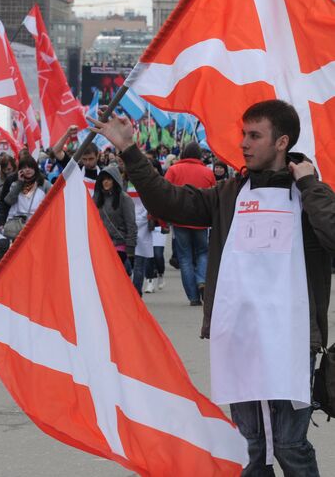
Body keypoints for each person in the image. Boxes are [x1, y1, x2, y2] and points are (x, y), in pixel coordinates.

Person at [90, 99, 335, 476]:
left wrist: (309, 184)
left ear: (282, 141)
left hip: (293, 342)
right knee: (251, 446)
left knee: (289, 445)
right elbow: (167, 202)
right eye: (243, 134)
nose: (243, 143)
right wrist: (128, 149)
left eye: (255, 135)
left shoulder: (309, 195)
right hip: (239, 339)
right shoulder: (229, 194)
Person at [165, 142, 216, 305]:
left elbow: (164, 192)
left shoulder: (173, 170)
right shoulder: (208, 172)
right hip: (201, 220)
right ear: (200, 155)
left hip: (180, 219)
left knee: (185, 257)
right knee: (203, 252)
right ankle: (201, 279)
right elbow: (214, 196)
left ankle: (193, 297)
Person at [0, 155, 50, 250]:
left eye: (30, 167)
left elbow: (53, 201)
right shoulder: (15, 184)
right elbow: (8, 201)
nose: (27, 170)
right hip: (19, 228)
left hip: (38, 226)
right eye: (24, 167)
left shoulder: (44, 184)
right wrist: (19, 183)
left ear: (35, 168)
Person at [93, 166, 137, 265]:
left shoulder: (124, 198)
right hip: (102, 244)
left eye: (108, 179)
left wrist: (130, 249)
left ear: (115, 180)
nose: (105, 182)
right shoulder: (97, 198)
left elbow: (131, 224)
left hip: (119, 244)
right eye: (103, 179)